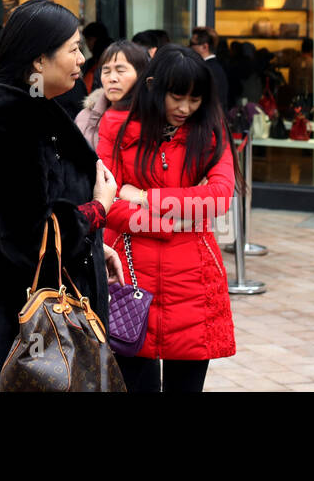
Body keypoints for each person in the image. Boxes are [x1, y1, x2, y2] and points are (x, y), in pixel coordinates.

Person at [0, 0, 124, 392]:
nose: (82, 58)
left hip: (24, 322)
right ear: (39, 61)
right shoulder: (9, 120)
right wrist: (97, 209)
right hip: (18, 334)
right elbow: (26, 239)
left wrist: (93, 245)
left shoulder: (28, 106)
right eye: (74, 48)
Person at [95, 44, 237, 392]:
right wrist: (171, 222)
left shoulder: (210, 129)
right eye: (177, 97)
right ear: (154, 85)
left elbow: (218, 197)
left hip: (192, 281)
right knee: (134, 384)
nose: (186, 108)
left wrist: (144, 197)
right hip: (129, 277)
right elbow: (106, 203)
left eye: (195, 98)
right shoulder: (115, 126)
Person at [75, 40, 150, 145]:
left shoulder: (155, 119)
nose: (112, 78)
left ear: (140, 75)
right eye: (106, 71)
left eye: (120, 71)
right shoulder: (85, 119)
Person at [189, 27, 229, 109]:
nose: (188, 47)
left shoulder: (208, 69)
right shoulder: (213, 67)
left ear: (204, 47)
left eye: (192, 44)